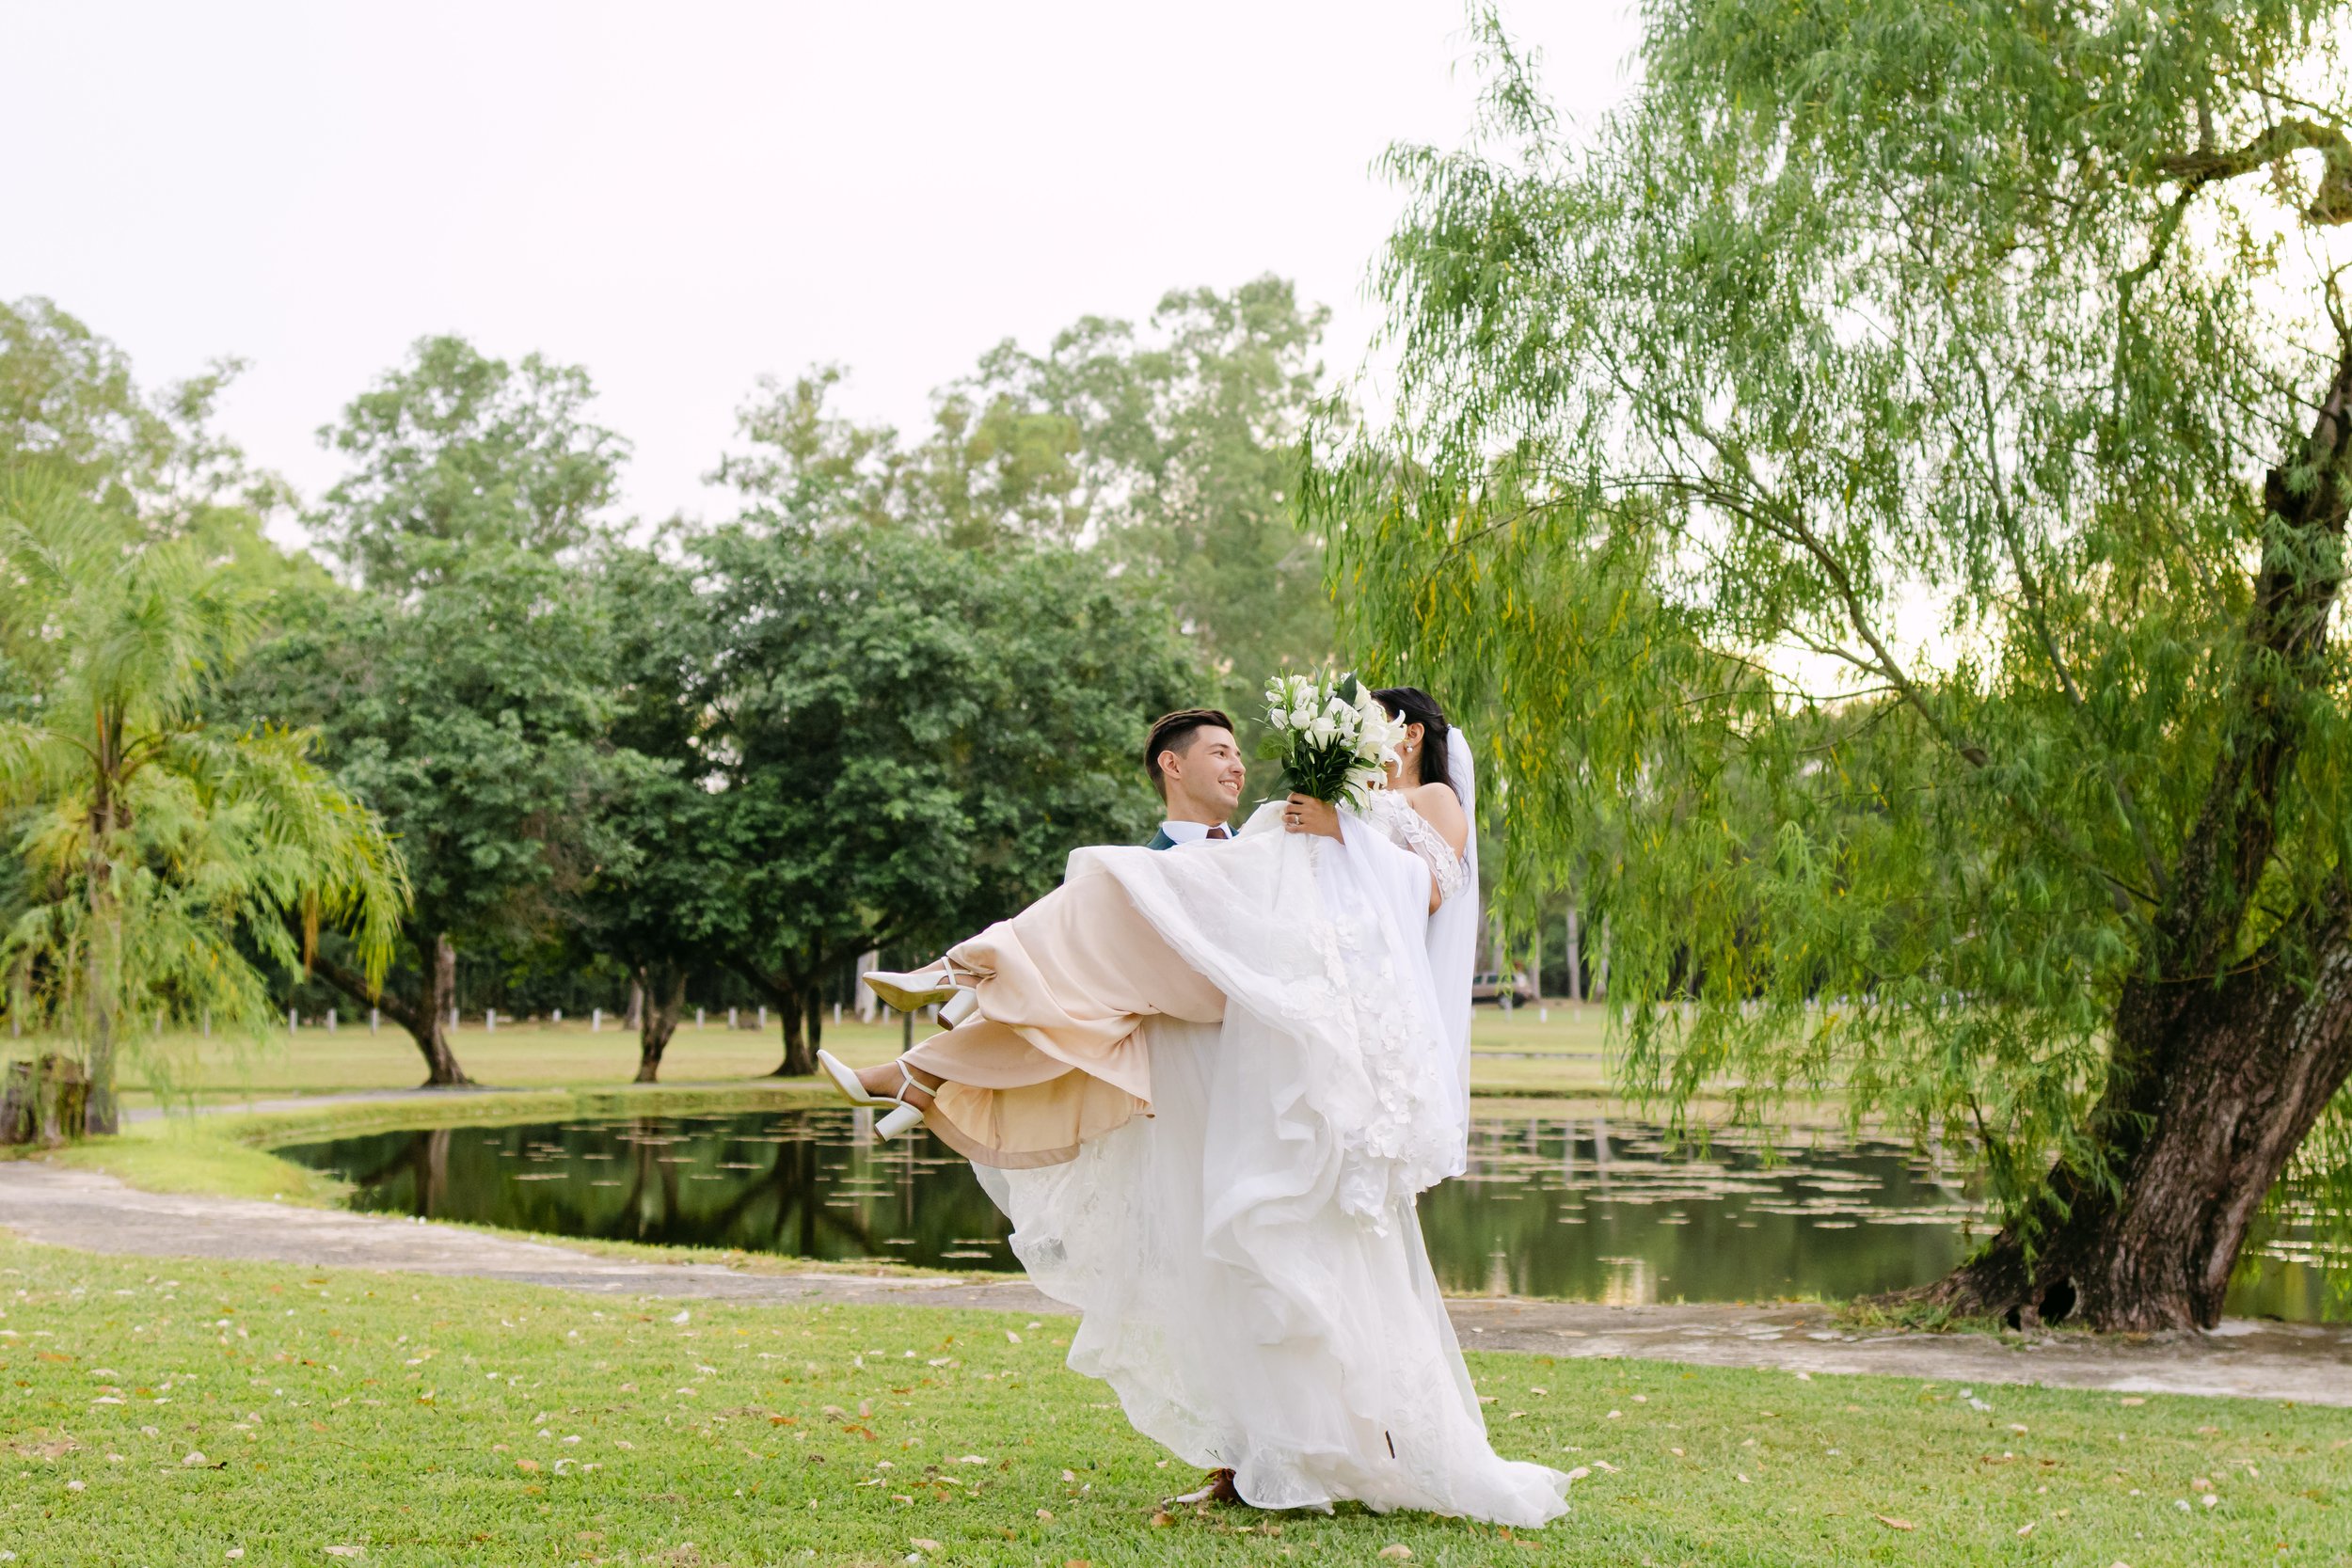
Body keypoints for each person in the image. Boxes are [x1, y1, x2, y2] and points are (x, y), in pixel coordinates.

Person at [818, 689, 1569, 1527]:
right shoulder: (1339, 803)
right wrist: (1314, 827)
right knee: (1111, 886)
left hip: (1323, 999)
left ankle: (949, 996)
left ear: (1412, 733)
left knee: (1112, 881)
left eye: (1373, 722)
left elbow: (1429, 889)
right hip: (1259, 998)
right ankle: (948, 1006)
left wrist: (1339, 829)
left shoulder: (1426, 800)